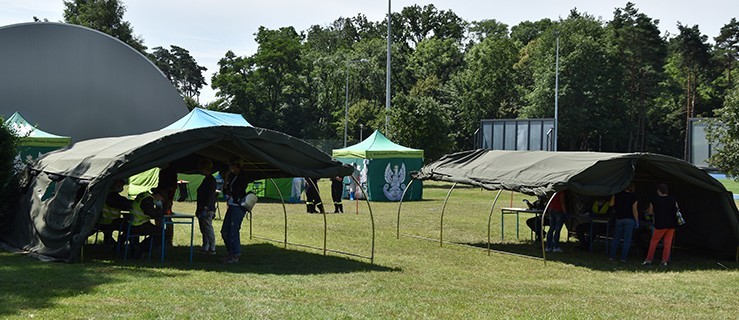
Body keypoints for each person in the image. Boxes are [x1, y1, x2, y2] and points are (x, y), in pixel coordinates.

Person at [642, 183, 679, 267]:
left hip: (660, 224)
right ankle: (664, 261)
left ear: (658, 190)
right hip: (671, 224)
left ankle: (649, 260)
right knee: (667, 243)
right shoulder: (673, 199)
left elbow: (650, 212)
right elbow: (677, 209)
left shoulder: (654, 199)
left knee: (654, 242)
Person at [221, 159, 250, 264]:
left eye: (232, 166)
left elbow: (237, 191)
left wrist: (232, 196)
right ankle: (230, 252)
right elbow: (226, 190)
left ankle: (235, 255)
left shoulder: (242, 178)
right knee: (224, 231)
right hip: (231, 205)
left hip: (237, 207)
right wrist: (226, 178)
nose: (230, 169)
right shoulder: (232, 177)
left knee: (233, 231)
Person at [126, 188, 165, 258]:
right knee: (163, 233)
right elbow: (152, 213)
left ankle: (137, 248)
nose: (161, 201)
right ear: (158, 195)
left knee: (157, 231)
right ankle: (140, 248)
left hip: (132, 223)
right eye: (161, 199)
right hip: (138, 225)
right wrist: (159, 208)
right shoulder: (148, 200)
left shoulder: (144, 195)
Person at [99, 179, 132, 248]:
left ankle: (113, 243)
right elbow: (123, 204)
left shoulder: (106, 193)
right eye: (119, 185)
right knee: (131, 227)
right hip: (109, 221)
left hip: (104, 220)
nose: (121, 187)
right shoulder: (112, 196)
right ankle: (128, 246)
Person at [610, 183, 639, 262]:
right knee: (627, 240)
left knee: (616, 238)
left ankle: (612, 256)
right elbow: (634, 210)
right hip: (630, 220)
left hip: (619, 218)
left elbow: (611, 204)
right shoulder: (634, 197)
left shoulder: (617, 194)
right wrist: (637, 221)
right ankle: (623, 258)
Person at [195, 159, 217, 255]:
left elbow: (210, 196)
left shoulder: (211, 181)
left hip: (207, 208)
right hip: (202, 208)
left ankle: (212, 247)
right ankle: (206, 246)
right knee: (203, 228)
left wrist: (205, 208)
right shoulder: (206, 180)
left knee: (208, 228)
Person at [157, 162, 178, 247]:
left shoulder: (172, 172)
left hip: (168, 198)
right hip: (160, 198)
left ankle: (169, 240)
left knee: (168, 219)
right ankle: (159, 238)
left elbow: (174, 187)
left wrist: (165, 193)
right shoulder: (161, 172)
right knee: (158, 217)